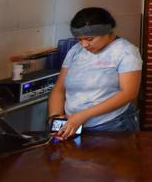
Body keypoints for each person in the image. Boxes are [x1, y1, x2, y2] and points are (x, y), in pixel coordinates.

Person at [48, 7, 142, 139]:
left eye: (89, 39)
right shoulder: (75, 51)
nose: (84, 44)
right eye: (79, 40)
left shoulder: (126, 51)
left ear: (107, 32)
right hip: (73, 125)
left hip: (112, 125)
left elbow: (128, 93)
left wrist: (82, 115)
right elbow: (59, 88)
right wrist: (55, 117)